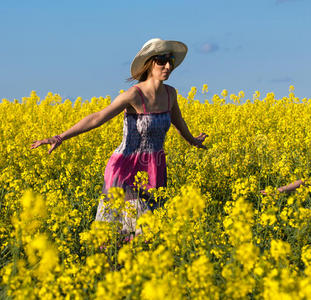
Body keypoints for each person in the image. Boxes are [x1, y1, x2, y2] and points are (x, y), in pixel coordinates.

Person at [31, 38, 208, 234]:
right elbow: (97, 118)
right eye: (161, 61)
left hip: (155, 169)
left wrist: (192, 141)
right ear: (150, 63)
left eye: (170, 62)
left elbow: (178, 122)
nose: (167, 66)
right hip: (126, 169)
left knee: (149, 237)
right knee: (135, 231)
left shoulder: (170, 94)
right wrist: (59, 137)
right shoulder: (134, 95)